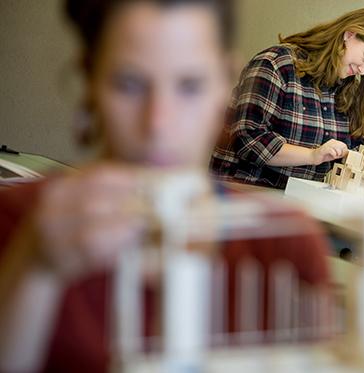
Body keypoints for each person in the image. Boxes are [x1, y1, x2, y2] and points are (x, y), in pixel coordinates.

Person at [0, 1, 333, 371]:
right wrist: (33, 271)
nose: (158, 122)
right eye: (129, 84)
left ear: (226, 83)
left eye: (190, 85)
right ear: (89, 79)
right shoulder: (17, 222)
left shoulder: (285, 248)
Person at [211, 8, 364, 189]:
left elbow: (342, 153)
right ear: (349, 35)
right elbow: (248, 140)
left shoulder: (347, 88)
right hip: (246, 191)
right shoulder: (277, 63)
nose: (362, 70)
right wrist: (313, 155)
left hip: (302, 200)